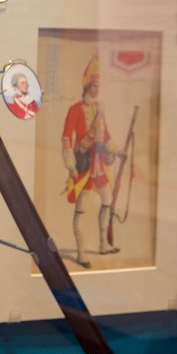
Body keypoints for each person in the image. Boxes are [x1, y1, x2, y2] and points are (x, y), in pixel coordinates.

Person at [61, 55, 124, 268]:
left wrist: (118, 150)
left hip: (99, 164)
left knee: (107, 200)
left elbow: (105, 135)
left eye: (98, 85)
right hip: (84, 165)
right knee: (82, 208)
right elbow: (67, 137)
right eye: (94, 85)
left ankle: (103, 244)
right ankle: (80, 253)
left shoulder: (99, 109)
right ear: (87, 86)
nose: (97, 89)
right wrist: (70, 165)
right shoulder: (75, 109)